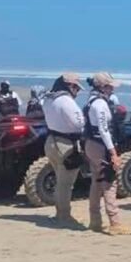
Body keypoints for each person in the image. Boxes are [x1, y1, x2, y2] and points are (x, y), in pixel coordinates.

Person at [82, 73, 131, 235]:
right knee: (109, 182)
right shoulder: (100, 104)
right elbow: (104, 130)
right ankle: (115, 222)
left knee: (96, 181)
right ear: (104, 87)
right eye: (110, 86)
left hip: (91, 144)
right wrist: (113, 152)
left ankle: (95, 220)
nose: (112, 88)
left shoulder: (91, 100)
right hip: (100, 145)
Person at [41, 73, 86, 223]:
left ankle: (60, 212)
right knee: (66, 184)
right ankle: (64, 215)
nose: (77, 92)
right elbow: (79, 122)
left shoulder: (48, 99)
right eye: (76, 87)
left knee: (60, 180)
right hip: (65, 143)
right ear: (69, 86)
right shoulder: (66, 100)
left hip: (51, 140)